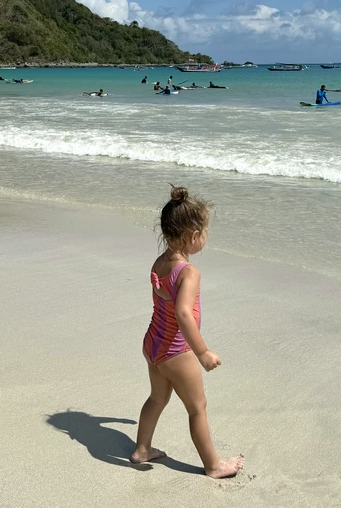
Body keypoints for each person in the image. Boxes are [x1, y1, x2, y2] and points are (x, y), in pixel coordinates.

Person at [132, 187, 244, 479]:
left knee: (157, 398)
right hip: (175, 351)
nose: (205, 238)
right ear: (193, 236)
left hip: (153, 344)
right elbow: (183, 313)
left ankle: (142, 449)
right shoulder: (189, 273)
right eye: (205, 232)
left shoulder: (160, 262)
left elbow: (164, 300)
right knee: (197, 407)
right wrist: (202, 352)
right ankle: (213, 465)